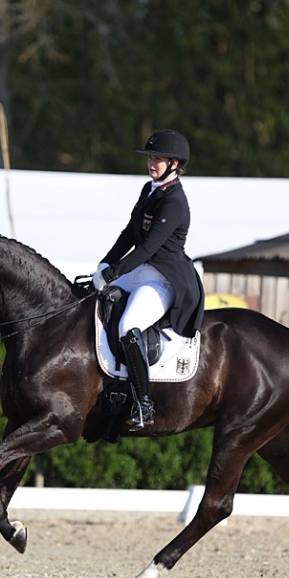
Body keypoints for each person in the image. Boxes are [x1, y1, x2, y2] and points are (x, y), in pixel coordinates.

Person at [92, 129, 204, 430]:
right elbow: (130, 233)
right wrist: (105, 262)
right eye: (151, 157)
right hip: (138, 270)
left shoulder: (175, 203)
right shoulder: (149, 190)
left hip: (163, 279)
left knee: (129, 326)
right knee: (93, 301)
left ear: (175, 164)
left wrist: (114, 274)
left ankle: (143, 404)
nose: (151, 163)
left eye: (158, 159)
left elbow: (147, 248)